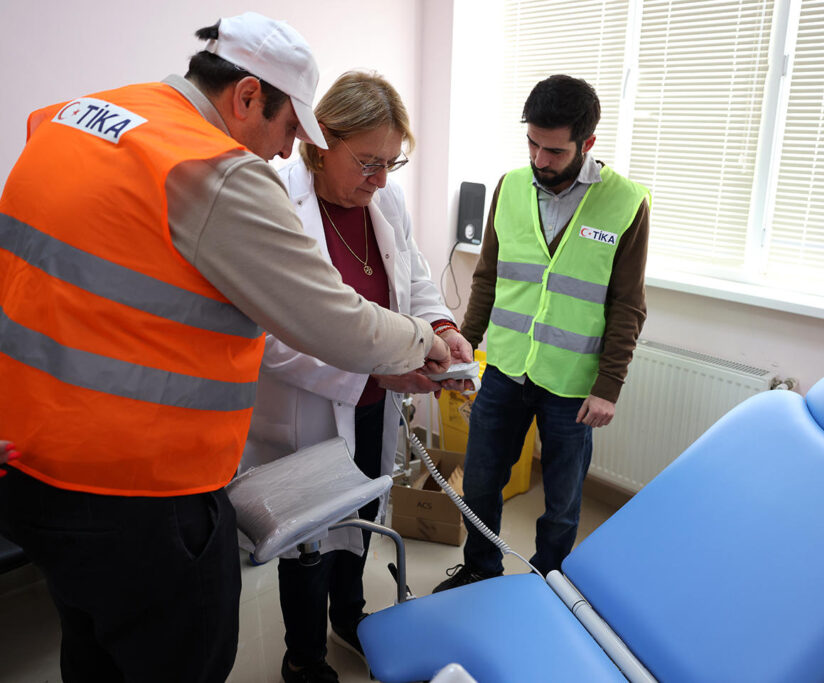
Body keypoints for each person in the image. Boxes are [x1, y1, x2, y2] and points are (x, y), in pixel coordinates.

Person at [0, 13, 450, 683]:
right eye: (289, 128)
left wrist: (430, 322)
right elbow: (329, 319)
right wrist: (422, 344)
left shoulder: (78, 117)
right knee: (183, 657)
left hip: (34, 469)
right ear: (246, 96)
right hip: (141, 491)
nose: (286, 149)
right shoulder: (214, 170)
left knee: (93, 653)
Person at [241, 71, 473, 683]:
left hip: (375, 405)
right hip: (308, 409)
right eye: (369, 162)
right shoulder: (274, 201)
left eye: (391, 163)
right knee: (310, 541)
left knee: (365, 513)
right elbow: (269, 337)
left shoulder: (384, 201)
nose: (381, 179)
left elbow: (414, 277)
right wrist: (379, 371)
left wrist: (441, 327)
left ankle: (350, 618)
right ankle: (304, 657)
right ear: (321, 142)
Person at [433, 75, 650, 593]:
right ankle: (480, 569)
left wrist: (609, 386)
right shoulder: (509, 187)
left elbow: (627, 305)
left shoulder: (626, 203)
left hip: (572, 383)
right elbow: (488, 276)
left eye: (554, 150)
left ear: (587, 143)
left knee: (562, 501)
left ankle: (547, 584)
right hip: (505, 369)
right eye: (531, 143)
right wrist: (465, 344)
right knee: (480, 481)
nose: (539, 159)